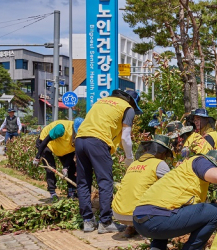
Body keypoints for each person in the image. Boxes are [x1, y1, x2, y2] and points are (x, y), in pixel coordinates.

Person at [133, 150, 217, 250]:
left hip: (140, 220)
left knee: (169, 211)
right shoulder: (200, 162)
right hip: (156, 220)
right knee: (214, 212)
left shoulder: (182, 176)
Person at [75, 89, 142, 234]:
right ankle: (105, 222)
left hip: (80, 140)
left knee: (83, 182)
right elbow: (125, 137)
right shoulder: (127, 108)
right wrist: (129, 159)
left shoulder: (101, 102)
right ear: (131, 101)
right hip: (98, 141)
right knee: (105, 181)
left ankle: (87, 221)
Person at [112, 134, 174, 230]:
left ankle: (131, 227)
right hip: (138, 215)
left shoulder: (134, 164)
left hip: (118, 213)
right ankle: (147, 229)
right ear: (162, 152)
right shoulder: (159, 164)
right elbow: (172, 187)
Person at [33, 118, 84, 202]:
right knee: (51, 168)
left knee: (71, 167)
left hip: (61, 146)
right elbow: (45, 140)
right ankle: (52, 192)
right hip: (46, 143)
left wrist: (65, 167)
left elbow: (71, 153)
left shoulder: (79, 137)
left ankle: (71, 191)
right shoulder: (61, 129)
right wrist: (37, 157)